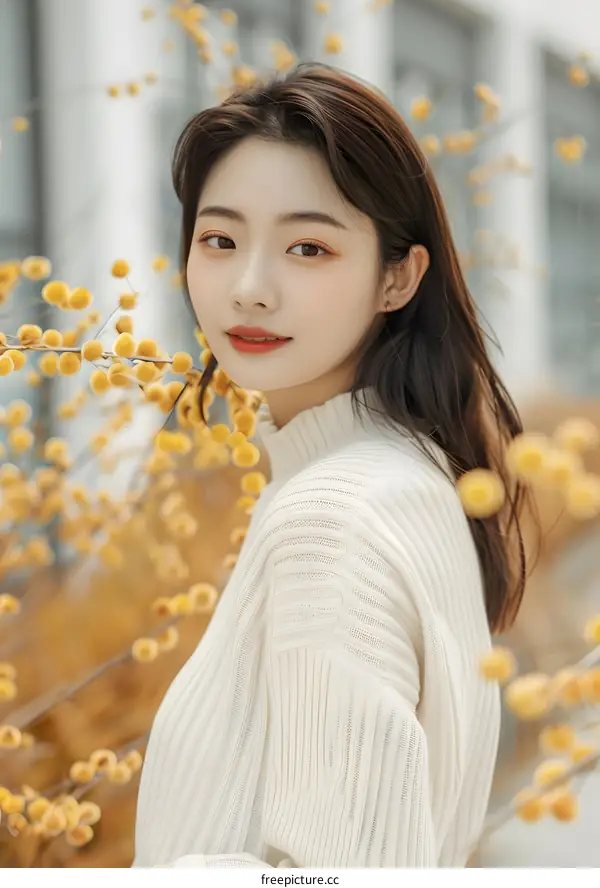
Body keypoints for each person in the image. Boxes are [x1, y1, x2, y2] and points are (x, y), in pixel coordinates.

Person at [132, 63, 530, 868]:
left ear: (397, 277)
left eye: (307, 247)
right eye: (220, 240)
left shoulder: (333, 518)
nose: (249, 288)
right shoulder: (412, 476)